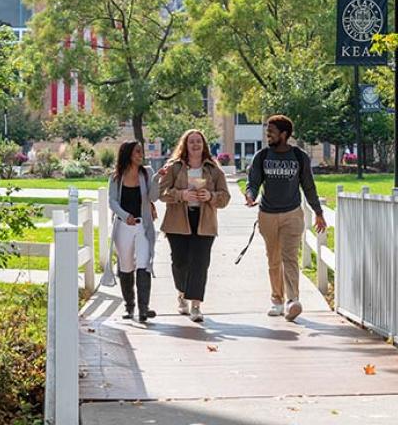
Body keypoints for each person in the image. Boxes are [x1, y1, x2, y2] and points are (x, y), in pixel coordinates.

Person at [245, 115, 326, 322]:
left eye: (271, 131)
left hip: (292, 213)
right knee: (274, 259)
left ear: (284, 134)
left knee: (289, 257)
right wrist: (250, 195)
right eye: (267, 132)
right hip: (267, 214)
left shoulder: (299, 156)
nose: (268, 135)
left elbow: (308, 186)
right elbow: (253, 182)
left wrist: (318, 212)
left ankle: (293, 301)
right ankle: (277, 300)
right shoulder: (262, 156)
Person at [159, 129, 230, 322]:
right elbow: (161, 192)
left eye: (199, 141)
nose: (196, 144)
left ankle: (196, 305)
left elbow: (225, 198)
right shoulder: (174, 167)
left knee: (200, 263)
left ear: (204, 145)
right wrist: (180, 195)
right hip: (177, 222)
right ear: (185, 145)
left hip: (204, 221)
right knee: (180, 262)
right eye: (192, 141)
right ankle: (182, 293)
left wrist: (211, 196)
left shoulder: (213, 169)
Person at [106, 140, 161, 322]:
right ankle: (130, 306)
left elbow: (153, 197)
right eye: (137, 152)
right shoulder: (116, 177)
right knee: (126, 266)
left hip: (143, 226)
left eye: (141, 152)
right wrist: (124, 215)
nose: (141, 155)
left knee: (144, 263)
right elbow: (112, 201)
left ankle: (144, 309)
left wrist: (157, 179)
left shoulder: (147, 173)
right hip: (123, 227)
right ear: (128, 154)